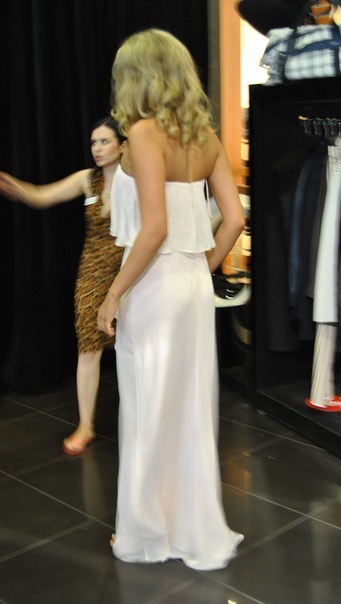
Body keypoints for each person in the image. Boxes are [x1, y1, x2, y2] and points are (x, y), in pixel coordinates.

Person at [97, 29, 245, 570]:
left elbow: (154, 228)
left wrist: (113, 294)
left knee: (147, 406)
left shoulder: (142, 133)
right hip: (191, 288)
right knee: (189, 408)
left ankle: (144, 534)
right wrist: (201, 267)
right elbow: (234, 219)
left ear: (137, 77)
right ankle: (190, 525)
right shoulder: (205, 137)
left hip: (154, 287)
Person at [0, 117, 127, 455]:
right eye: (93, 142)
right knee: (88, 347)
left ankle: (143, 420)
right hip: (92, 275)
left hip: (130, 273)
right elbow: (42, 195)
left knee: (135, 347)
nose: (97, 149)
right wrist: (18, 188)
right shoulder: (87, 180)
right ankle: (85, 425)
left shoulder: (137, 180)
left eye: (105, 141)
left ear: (123, 145)